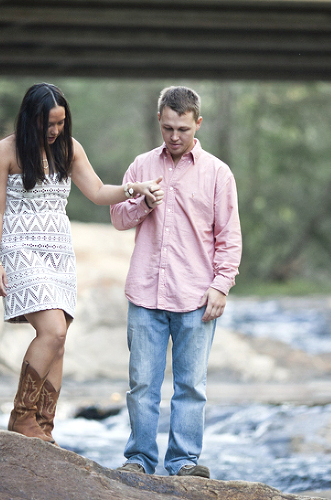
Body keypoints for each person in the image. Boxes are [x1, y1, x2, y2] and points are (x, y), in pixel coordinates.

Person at [0, 83, 164, 445]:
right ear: (30, 118)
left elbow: (98, 192)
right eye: (49, 124)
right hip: (21, 248)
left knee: (60, 341)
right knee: (52, 331)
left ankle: (44, 425)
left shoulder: (69, 148)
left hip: (59, 252)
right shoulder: (4, 151)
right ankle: (21, 417)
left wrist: (134, 188)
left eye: (61, 123)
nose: (55, 131)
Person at [110, 86, 242, 477]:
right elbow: (117, 218)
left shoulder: (218, 173)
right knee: (141, 386)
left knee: (190, 387)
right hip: (145, 294)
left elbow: (229, 237)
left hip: (197, 296)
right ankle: (139, 461)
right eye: (167, 128)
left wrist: (221, 285)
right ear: (159, 121)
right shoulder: (140, 166)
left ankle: (184, 462)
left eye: (182, 128)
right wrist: (143, 202)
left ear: (197, 123)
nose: (174, 137)